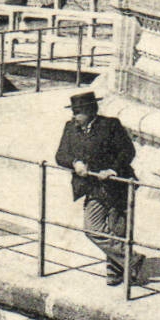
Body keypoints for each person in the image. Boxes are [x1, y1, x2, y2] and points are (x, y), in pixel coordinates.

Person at [54, 91, 143, 285]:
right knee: (92, 228)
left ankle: (116, 272)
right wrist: (75, 162)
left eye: (78, 112)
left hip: (117, 185)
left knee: (117, 228)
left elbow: (128, 151)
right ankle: (132, 259)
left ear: (90, 111)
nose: (74, 116)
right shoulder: (70, 128)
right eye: (73, 111)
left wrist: (113, 169)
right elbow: (60, 155)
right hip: (92, 188)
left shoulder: (110, 125)